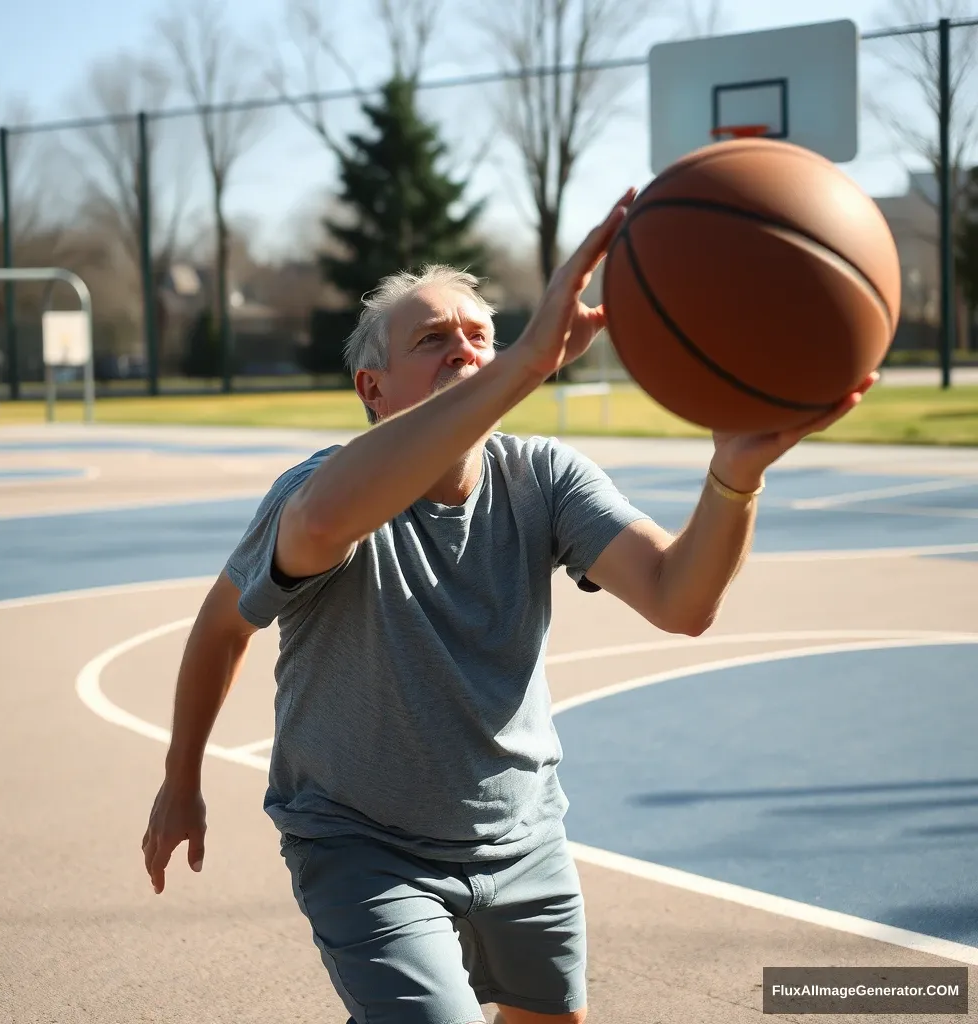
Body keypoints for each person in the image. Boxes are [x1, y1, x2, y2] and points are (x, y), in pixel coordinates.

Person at [142, 188, 875, 1024]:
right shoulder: (318, 491)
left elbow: (681, 600)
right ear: (371, 388)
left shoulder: (543, 478)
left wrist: (735, 474)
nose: (464, 347)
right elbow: (233, 614)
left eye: (479, 336)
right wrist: (181, 778)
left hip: (524, 838)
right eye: (433, 339)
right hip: (364, 844)